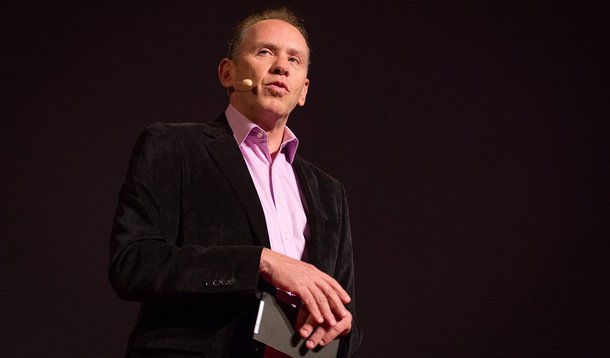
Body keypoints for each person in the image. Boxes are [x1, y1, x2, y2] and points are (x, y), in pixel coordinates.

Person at [109, 7, 361, 357]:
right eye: (265, 52)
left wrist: (341, 328)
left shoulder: (329, 192)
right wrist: (262, 262)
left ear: (302, 90)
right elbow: (134, 263)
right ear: (228, 73)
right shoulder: (174, 147)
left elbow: (344, 310)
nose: (281, 66)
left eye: (295, 59)